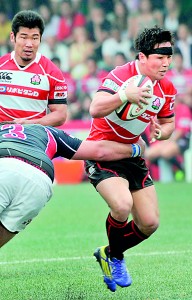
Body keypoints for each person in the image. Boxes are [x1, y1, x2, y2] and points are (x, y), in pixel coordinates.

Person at [84, 26, 177, 292]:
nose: (166, 62)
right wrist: (125, 95)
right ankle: (116, 258)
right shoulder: (122, 75)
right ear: (142, 57)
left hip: (132, 155)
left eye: (169, 56)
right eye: (160, 56)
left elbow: (168, 122)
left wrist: (162, 131)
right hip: (102, 152)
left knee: (150, 223)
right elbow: (95, 108)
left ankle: (107, 251)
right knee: (122, 205)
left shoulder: (167, 88)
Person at [0, 121, 145, 248]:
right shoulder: (49, 131)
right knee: (7, 228)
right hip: (40, 179)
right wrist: (136, 149)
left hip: (4, 164)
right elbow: (98, 151)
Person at [0, 10, 67, 126]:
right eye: (24, 37)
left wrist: (30, 123)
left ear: (41, 39)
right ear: (12, 37)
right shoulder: (1, 66)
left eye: (34, 38)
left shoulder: (52, 72)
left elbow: (60, 115)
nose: (29, 44)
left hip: (34, 137)